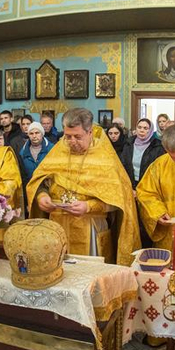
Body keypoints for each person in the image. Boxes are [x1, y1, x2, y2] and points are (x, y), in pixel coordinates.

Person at [27, 108, 140, 265]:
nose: (72, 141)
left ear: (90, 132)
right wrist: (42, 196)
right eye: (68, 136)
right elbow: (40, 182)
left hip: (90, 228)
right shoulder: (58, 150)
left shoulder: (105, 157)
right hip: (56, 229)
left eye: (78, 137)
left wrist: (89, 206)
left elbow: (120, 200)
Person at [119, 118, 164, 189]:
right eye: (139, 127)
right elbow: (123, 164)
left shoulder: (158, 146)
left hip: (149, 186)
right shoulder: (129, 144)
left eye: (145, 128)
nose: (141, 130)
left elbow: (160, 170)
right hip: (130, 184)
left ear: (150, 130)